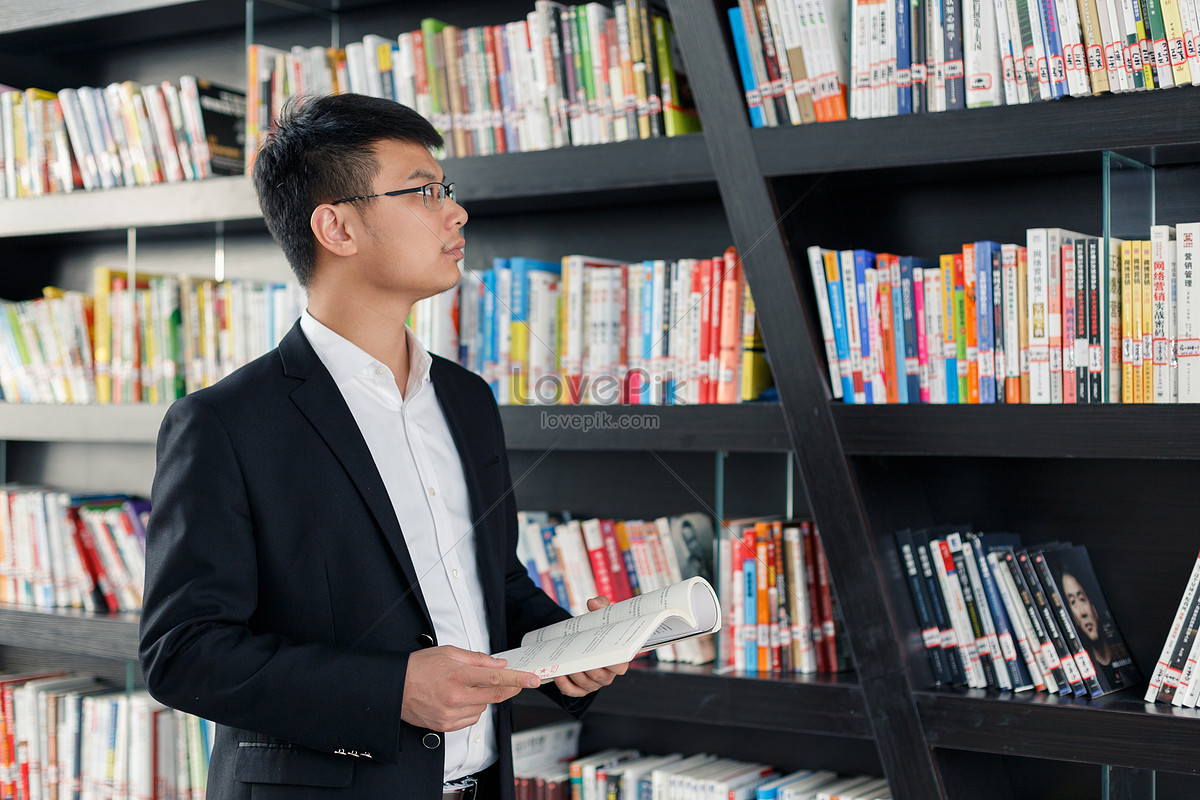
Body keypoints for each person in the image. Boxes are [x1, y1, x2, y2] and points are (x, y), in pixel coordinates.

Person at [139, 93, 628, 800]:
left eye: (447, 190)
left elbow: (490, 578)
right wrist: (390, 690)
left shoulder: (465, 399)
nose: (455, 212)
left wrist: (569, 646)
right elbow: (184, 654)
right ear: (336, 226)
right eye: (424, 191)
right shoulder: (224, 423)